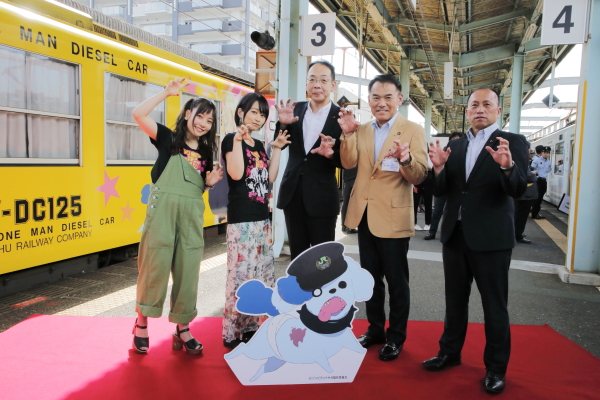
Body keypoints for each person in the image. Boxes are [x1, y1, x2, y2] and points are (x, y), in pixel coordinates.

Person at [424, 87, 529, 394]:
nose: (480, 109)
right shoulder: (455, 145)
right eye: (474, 105)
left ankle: (496, 368)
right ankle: (449, 352)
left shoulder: (512, 142)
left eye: (486, 104)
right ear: (467, 111)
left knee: (494, 306)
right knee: (454, 301)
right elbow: (442, 191)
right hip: (455, 235)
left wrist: (507, 166)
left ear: (498, 110)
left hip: (492, 238)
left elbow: (518, 190)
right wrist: (438, 167)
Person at [338, 74, 428, 362]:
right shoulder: (362, 129)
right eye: (376, 97)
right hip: (365, 215)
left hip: (393, 217)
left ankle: (396, 337)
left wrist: (405, 159)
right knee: (371, 280)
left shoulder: (413, 130)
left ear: (399, 99)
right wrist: (347, 135)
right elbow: (348, 163)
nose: (382, 103)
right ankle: (375, 330)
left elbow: (420, 175)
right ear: (369, 100)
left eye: (388, 97)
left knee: (397, 282)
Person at [131, 77, 224, 355]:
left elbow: (198, 189)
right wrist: (166, 92)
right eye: (200, 116)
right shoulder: (167, 138)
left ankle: (183, 328)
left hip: (191, 214)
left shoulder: (206, 151)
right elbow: (138, 114)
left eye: (209, 120)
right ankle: (141, 322)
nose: (203, 123)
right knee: (155, 265)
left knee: (188, 269)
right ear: (187, 114)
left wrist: (209, 184)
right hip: (163, 211)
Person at [221, 93, 290, 348]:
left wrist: (277, 149)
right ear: (241, 112)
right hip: (242, 220)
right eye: (253, 112)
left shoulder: (260, 144)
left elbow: (269, 178)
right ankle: (233, 332)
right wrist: (238, 140)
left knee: (259, 275)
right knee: (240, 275)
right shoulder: (231, 139)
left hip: (262, 218)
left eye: (262, 114)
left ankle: (250, 327)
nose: (258, 118)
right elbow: (236, 173)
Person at [273, 60, 343, 260]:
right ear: (306, 84)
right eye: (312, 80)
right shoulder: (295, 110)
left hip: (323, 198)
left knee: (323, 259)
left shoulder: (341, 117)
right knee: (298, 258)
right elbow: (279, 143)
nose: (317, 85)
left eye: (323, 80)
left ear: (332, 85)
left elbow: (347, 162)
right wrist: (283, 125)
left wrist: (331, 154)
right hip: (293, 194)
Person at [424, 132, 463, 240]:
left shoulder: (464, 152)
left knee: (454, 211)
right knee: (437, 210)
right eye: (454, 139)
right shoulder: (443, 151)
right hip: (443, 184)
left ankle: (450, 233)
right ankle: (432, 232)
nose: (456, 141)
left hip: (456, 188)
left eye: (458, 139)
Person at [530, 145, 551, 219]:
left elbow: (548, 171)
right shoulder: (536, 160)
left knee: (541, 197)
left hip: (543, 180)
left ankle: (536, 212)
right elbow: (531, 169)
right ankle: (534, 214)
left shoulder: (548, 162)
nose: (546, 154)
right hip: (537, 180)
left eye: (547, 153)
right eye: (544, 152)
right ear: (542, 153)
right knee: (537, 197)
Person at [341, 167, 358, 234]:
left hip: (346, 180)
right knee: (354, 204)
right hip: (355, 179)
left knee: (345, 203)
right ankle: (351, 227)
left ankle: (344, 225)